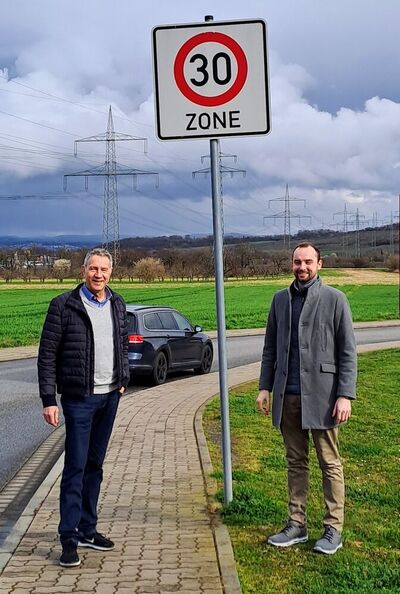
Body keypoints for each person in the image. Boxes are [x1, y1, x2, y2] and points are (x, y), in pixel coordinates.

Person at [256, 242, 357, 554]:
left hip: (325, 398)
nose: (302, 267)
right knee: (295, 462)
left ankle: (333, 528)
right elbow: (270, 348)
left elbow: (347, 352)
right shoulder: (279, 301)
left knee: (330, 463)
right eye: (297, 262)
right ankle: (296, 524)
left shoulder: (336, 300)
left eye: (308, 262)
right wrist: (265, 387)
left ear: (319, 264)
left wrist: (345, 394)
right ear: (292, 264)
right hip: (289, 397)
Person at [38, 248, 129, 567]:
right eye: (93, 269)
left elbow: (122, 341)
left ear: (111, 272)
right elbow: (47, 355)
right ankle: (69, 538)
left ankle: (88, 530)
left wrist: (123, 379)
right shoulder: (63, 305)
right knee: (75, 468)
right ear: (83, 270)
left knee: (95, 466)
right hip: (79, 399)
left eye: (104, 269)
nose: (99, 275)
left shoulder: (118, 303)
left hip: (109, 397)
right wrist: (49, 399)